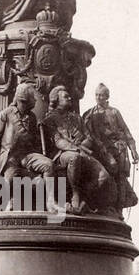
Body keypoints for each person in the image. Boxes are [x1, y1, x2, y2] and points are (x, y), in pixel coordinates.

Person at [43, 86, 117, 215]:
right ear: (57, 100)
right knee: (74, 157)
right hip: (62, 154)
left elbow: (89, 137)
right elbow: (57, 141)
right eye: (66, 97)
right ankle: (75, 194)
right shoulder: (51, 119)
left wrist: (82, 144)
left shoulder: (77, 118)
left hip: (82, 151)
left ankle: (84, 201)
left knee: (103, 176)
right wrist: (74, 147)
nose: (70, 98)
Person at [81, 83, 139, 209]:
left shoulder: (114, 112)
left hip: (118, 148)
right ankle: (104, 204)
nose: (98, 97)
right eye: (96, 95)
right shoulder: (90, 114)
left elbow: (126, 131)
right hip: (101, 149)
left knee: (121, 178)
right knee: (106, 174)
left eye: (101, 95)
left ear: (107, 97)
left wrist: (133, 150)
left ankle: (119, 208)